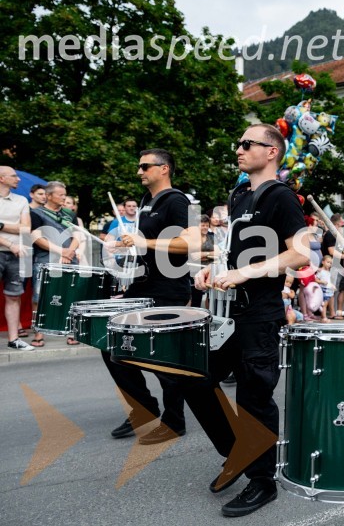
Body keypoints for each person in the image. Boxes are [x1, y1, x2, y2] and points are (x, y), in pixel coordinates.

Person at [189, 123, 309, 517]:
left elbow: (300, 255)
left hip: (260, 312)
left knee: (254, 397)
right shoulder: (240, 194)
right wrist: (214, 270)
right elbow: (233, 253)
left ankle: (263, 481)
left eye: (247, 143)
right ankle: (238, 451)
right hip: (229, 310)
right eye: (237, 142)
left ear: (272, 151)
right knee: (194, 377)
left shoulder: (282, 196)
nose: (238, 149)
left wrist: (246, 273)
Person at [103, 149, 197, 445]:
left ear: (164, 168)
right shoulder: (146, 202)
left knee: (161, 356)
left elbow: (189, 244)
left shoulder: (177, 200)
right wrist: (129, 248)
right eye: (139, 166)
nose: (139, 171)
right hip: (142, 285)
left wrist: (147, 242)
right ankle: (144, 408)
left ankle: (174, 421)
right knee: (113, 347)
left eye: (145, 166)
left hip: (169, 288)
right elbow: (149, 247)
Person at [29, 181, 83, 346]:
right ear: (49, 195)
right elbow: (36, 237)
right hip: (45, 259)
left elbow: (78, 236)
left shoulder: (69, 214)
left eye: (65, 194)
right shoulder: (36, 213)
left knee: (71, 295)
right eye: (60, 194)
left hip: (69, 258)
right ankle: (39, 333)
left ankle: (71, 331)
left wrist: (70, 252)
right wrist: (61, 251)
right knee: (40, 296)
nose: (63, 197)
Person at [0, 167, 33, 351]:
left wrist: (1, 225)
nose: (18, 179)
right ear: (1, 178)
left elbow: (26, 228)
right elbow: (20, 226)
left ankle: (14, 339)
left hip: (16, 254)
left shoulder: (21, 200)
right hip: (11, 249)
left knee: (13, 296)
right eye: (13, 176)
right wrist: (10, 243)